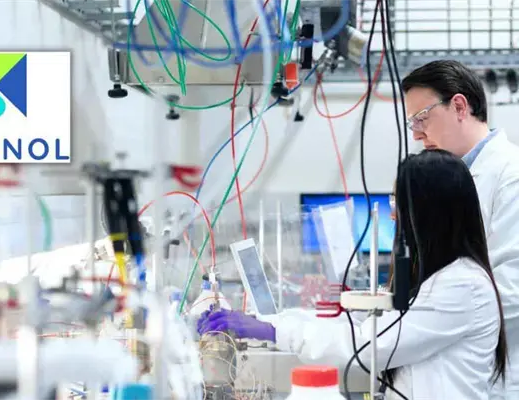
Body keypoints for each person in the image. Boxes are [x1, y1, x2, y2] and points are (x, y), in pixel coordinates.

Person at [198, 150, 507, 399]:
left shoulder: (462, 285)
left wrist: (274, 331)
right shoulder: (437, 277)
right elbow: (362, 323)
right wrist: (268, 322)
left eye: (398, 202)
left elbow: (369, 345)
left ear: (429, 212)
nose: (393, 214)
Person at [402, 59, 519, 399]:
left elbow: (513, 287)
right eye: (411, 123)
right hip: (454, 367)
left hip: (499, 375)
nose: (416, 134)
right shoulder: (451, 177)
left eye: (421, 118)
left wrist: (427, 319)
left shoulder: (511, 176)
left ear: (458, 106)